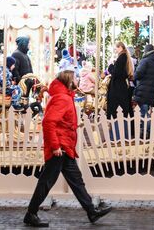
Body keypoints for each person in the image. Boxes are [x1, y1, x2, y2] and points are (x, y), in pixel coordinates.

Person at [24, 69, 112, 227]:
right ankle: (31, 213)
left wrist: (71, 125)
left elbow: (59, 121)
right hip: (60, 148)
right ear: (69, 81)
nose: (77, 81)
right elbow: (49, 122)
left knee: (76, 181)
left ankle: (91, 210)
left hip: (65, 146)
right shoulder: (63, 98)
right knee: (46, 182)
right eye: (75, 78)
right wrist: (55, 146)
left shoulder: (63, 97)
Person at [133, 44, 154, 135]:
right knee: (145, 111)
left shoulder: (145, 61)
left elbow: (138, 74)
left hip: (143, 90)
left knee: (143, 113)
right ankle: (147, 131)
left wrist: (133, 76)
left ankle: (149, 131)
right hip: (151, 91)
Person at [106, 42, 134, 140]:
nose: (115, 50)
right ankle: (123, 136)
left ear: (121, 47)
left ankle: (117, 137)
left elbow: (116, 73)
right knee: (122, 114)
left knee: (117, 114)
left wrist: (110, 66)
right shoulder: (125, 57)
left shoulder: (122, 57)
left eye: (116, 48)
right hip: (121, 88)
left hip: (117, 89)